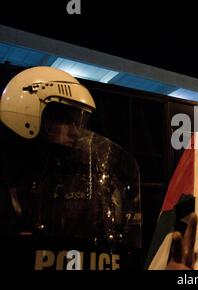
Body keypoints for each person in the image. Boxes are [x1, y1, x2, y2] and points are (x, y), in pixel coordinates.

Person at [0, 66, 141, 270]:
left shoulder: (81, 175)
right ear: (32, 114)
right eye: (66, 120)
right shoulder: (14, 182)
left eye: (79, 122)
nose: (77, 131)